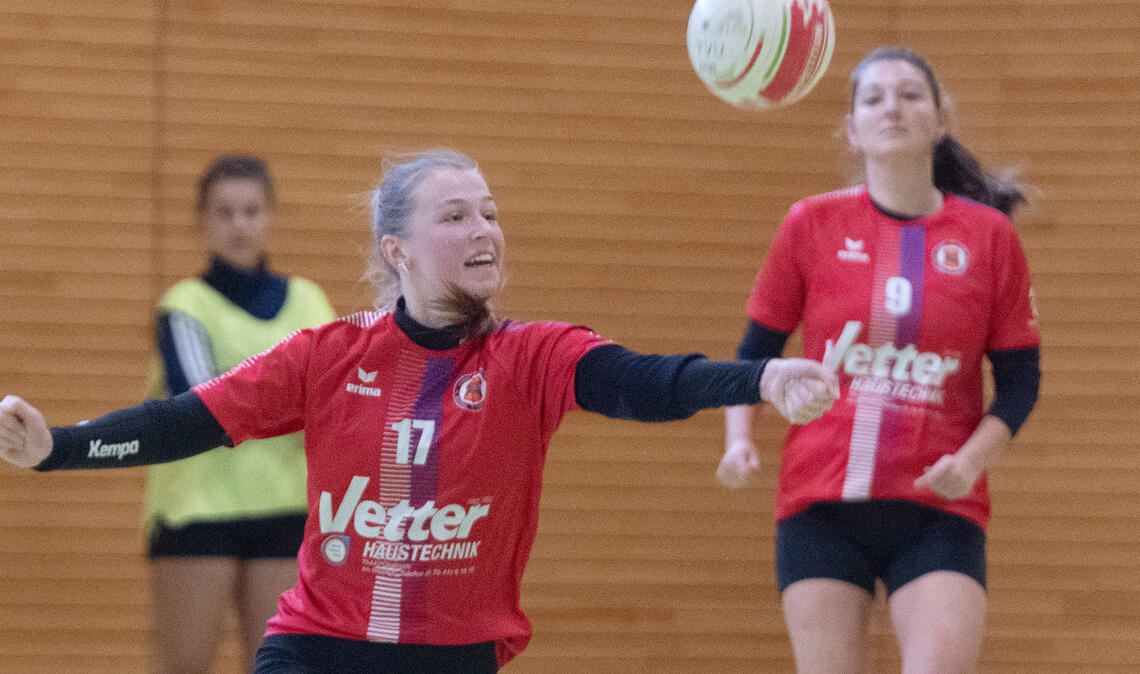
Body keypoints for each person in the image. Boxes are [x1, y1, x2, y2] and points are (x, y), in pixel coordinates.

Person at [1, 148, 839, 673]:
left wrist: (758, 381)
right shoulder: (329, 355)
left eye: (491, 212)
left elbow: (647, 382)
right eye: (456, 215)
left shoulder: (530, 355)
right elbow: (186, 419)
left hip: (454, 656)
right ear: (395, 250)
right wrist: (57, 448)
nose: (485, 228)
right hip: (317, 650)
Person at [717, 46, 1042, 673]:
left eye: (910, 94)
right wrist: (738, 441)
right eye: (874, 98)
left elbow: (1021, 382)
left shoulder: (988, 238)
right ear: (852, 127)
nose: (892, 107)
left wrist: (971, 461)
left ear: (941, 117)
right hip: (820, 504)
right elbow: (755, 354)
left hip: (939, 510)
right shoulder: (811, 223)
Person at [146, 154, 336, 673]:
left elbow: (335, 402)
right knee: (183, 665)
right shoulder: (184, 307)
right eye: (224, 212)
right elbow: (201, 410)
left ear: (270, 216)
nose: (239, 224)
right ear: (202, 221)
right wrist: (287, 405)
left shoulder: (310, 303)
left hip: (284, 509)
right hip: (198, 513)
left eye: (251, 210)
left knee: (276, 666)